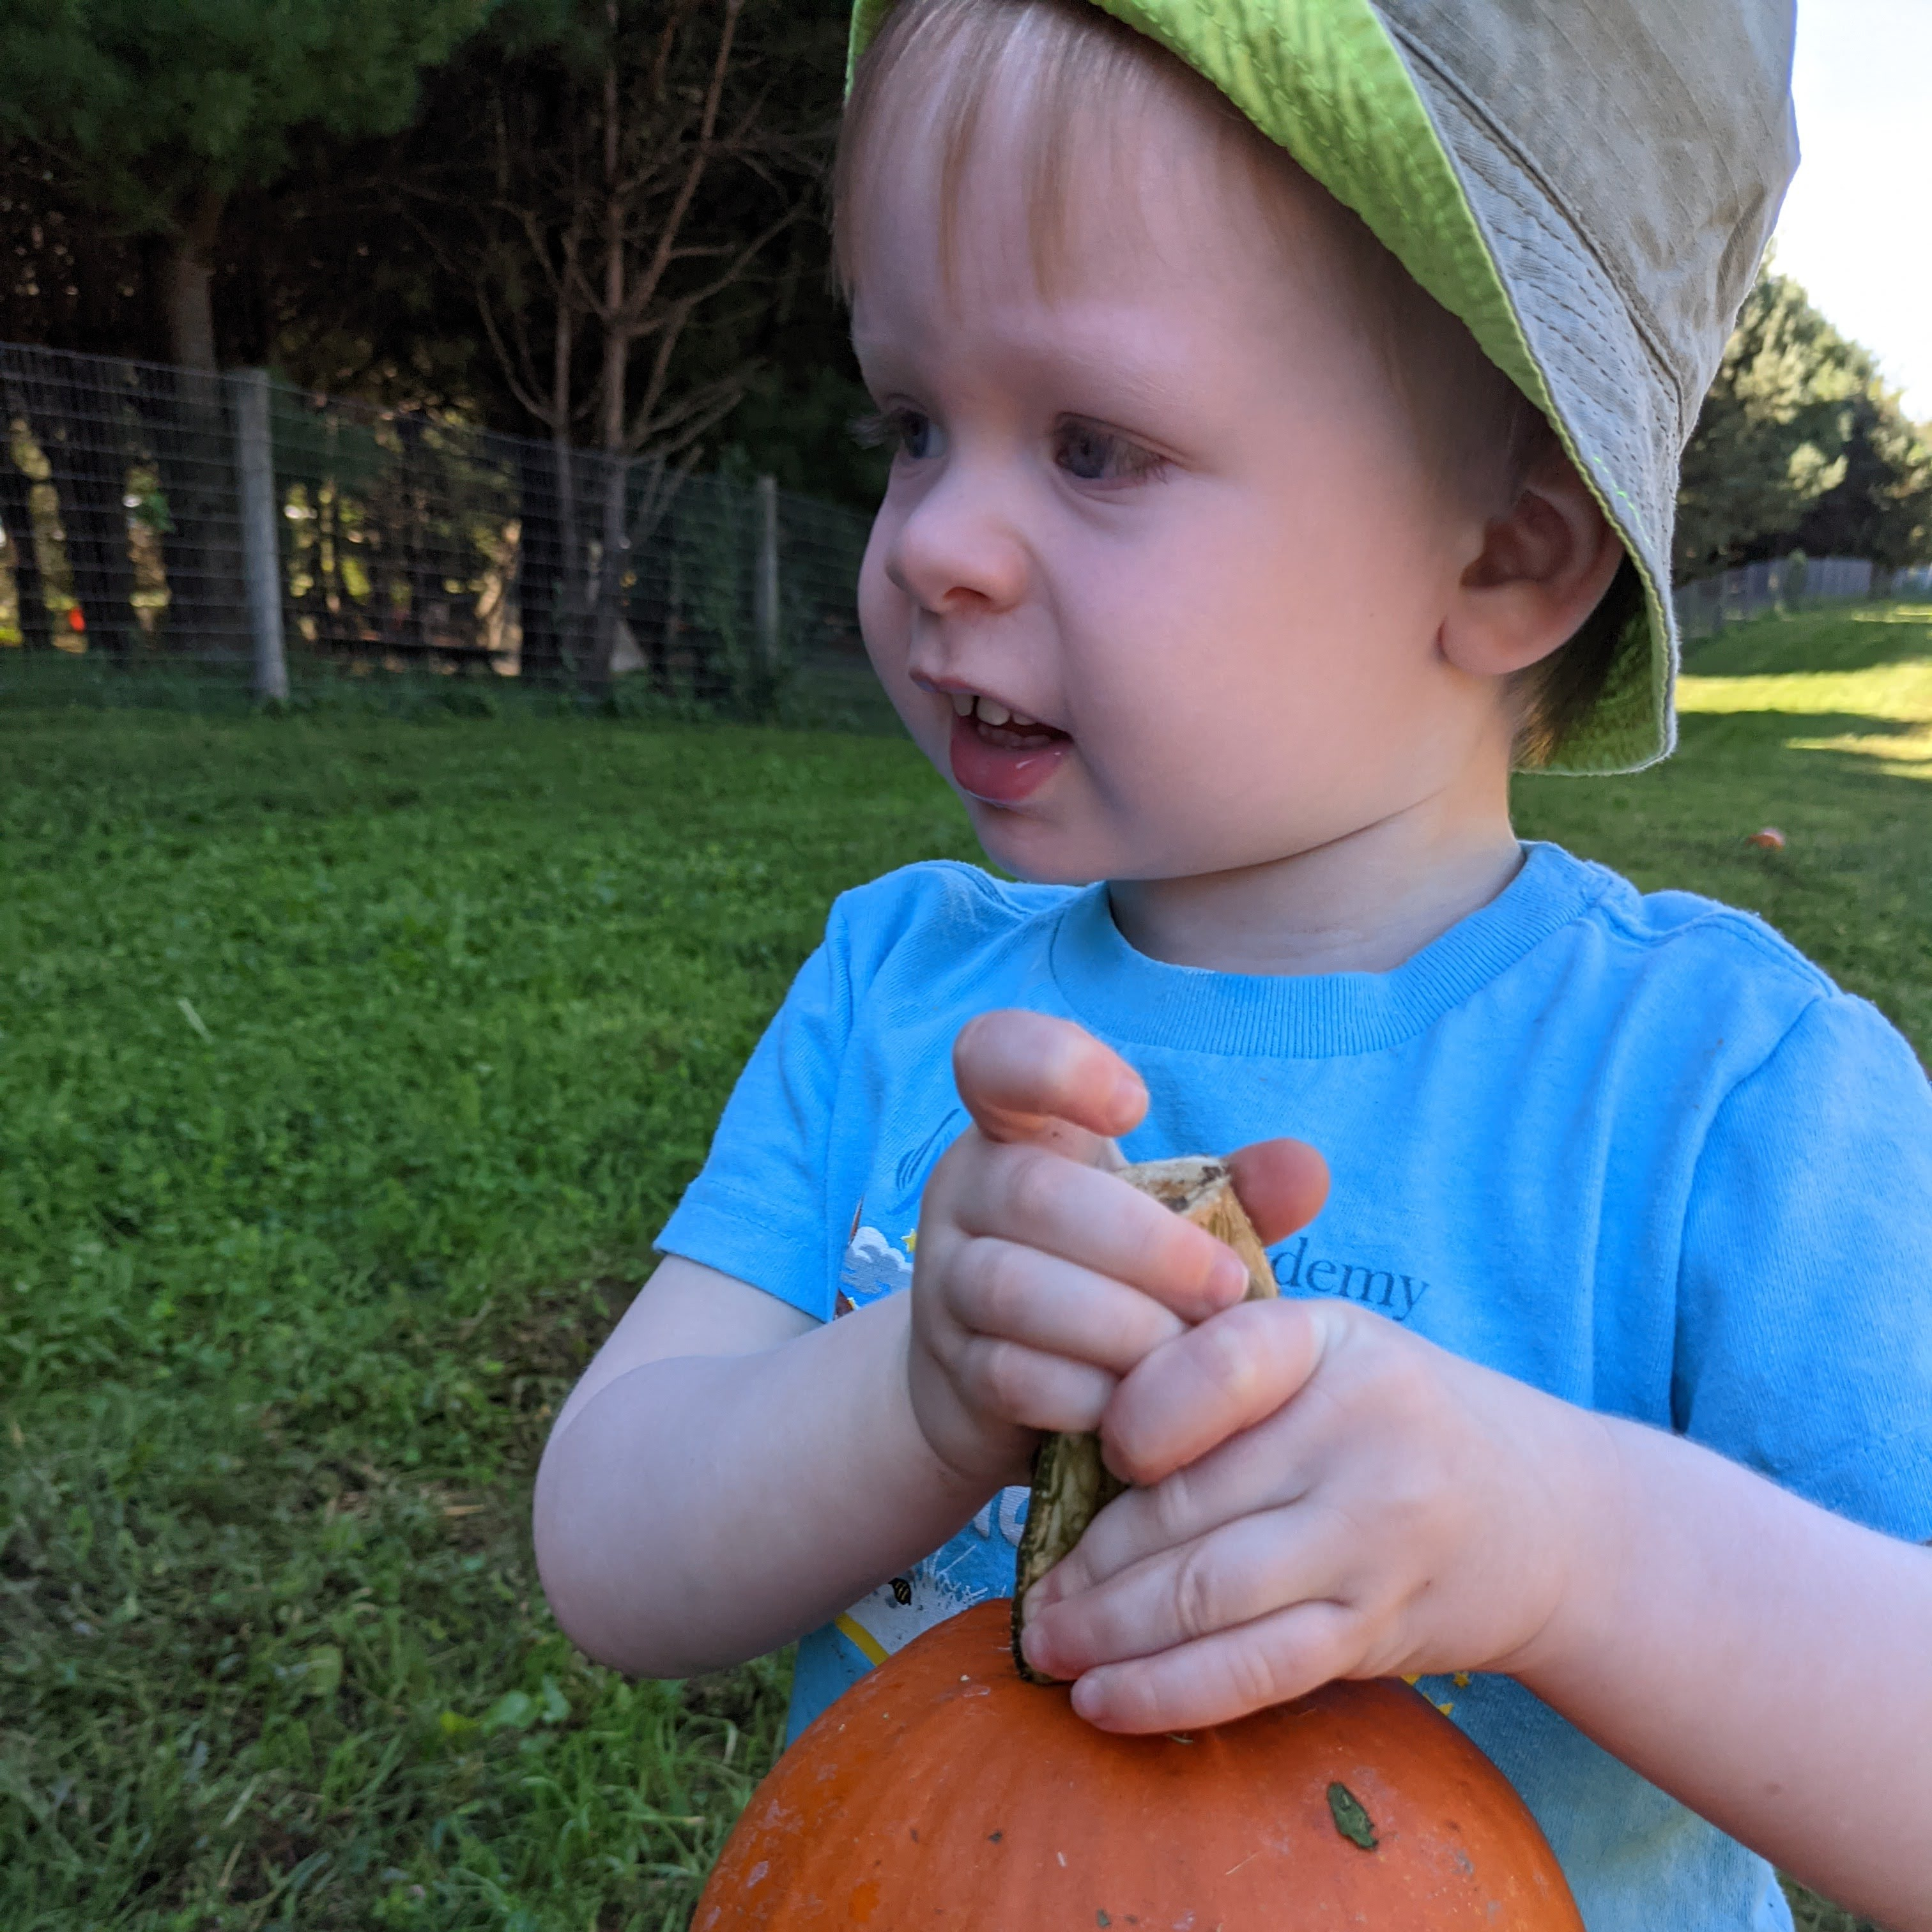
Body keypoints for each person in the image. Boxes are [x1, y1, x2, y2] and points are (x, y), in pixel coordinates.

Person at [532, 1, 1932, 1926]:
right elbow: (609, 1549)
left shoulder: (1725, 1101)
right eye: (913, 427)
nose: (936, 538)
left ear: (1510, 556)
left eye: (1094, 446)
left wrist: (1572, 1548)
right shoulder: (897, 993)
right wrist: (916, 1400)